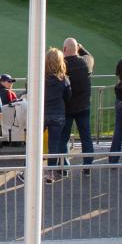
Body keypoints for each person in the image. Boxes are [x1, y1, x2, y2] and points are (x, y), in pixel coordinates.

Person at [60, 38, 96, 172]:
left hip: (67, 107)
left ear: (64, 50)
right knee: (86, 137)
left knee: (63, 138)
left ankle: (64, 167)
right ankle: (87, 165)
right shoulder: (86, 62)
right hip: (83, 106)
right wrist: (80, 47)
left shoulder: (62, 65)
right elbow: (90, 56)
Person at [43, 48, 71, 181]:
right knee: (53, 146)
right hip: (58, 114)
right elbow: (68, 97)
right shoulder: (64, 80)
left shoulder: (40, 78)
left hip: (42, 114)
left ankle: (28, 170)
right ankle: (50, 173)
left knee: (34, 143)